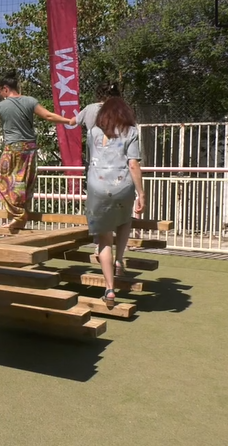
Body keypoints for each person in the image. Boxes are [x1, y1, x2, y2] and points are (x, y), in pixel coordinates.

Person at [0, 71, 77, 230]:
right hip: (30, 148)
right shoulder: (30, 101)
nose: (0, 95)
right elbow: (48, 116)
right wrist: (68, 120)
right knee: (24, 182)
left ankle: (18, 215)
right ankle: (19, 218)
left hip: (13, 148)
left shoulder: (0, 106)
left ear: (5, 89)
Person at [84, 96, 146, 308]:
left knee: (104, 239)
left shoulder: (92, 133)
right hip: (122, 187)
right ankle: (119, 259)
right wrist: (141, 193)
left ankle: (109, 290)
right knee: (125, 219)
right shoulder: (131, 132)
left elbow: (91, 159)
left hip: (97, 188)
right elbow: (133, 165)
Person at [77, 82, 122, 249]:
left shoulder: (89, 109)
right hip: (115, 161)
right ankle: (112, 232)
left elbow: (73, 121)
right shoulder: (118, 110)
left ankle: (98, 237)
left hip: (94, 162)